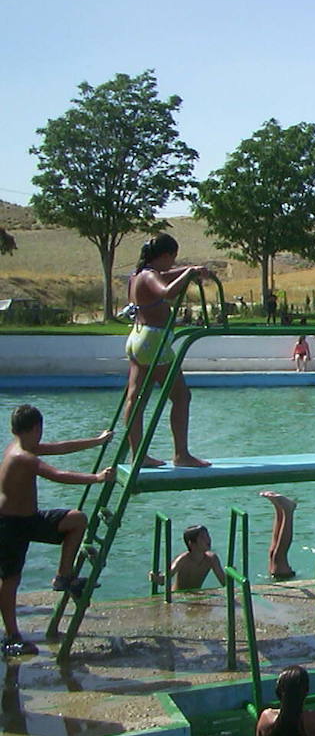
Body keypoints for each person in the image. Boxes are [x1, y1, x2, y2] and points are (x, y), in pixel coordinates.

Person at [1, 406, 113, 656]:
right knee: (10, 580)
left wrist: (97, 441)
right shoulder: (21, 456)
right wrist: (96, 478)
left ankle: (64, 576)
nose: (42, 435)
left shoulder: (24, 446)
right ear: (35, 428)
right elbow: (57, 474)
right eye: (41, 430)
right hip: (9, 524)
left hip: (30, 518)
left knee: (76, 520)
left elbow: (61, 447)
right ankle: (11, 637)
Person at [124, 234, 211, 468]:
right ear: (164, 256)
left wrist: (189, 269)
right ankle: (181, 455)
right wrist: (189, 274)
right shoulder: (151, 276)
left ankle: (138, 455)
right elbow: (167, 291)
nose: (172, 264)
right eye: (172, 259)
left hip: (137, 337)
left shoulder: (136, 276)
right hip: (154, 341)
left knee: (135, 398)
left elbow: (164, 276)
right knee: (181, 396)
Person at [151, 524, 226, 591]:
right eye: (203, 538)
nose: (208, 540)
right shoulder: (183, 559)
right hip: (177, 596)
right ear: (192, 544)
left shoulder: (212, 559)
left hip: (195, 595)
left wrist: (230, 576)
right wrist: (155, 578)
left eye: (208, 536)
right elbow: (164, 579)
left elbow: (224, 583)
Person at [261, 491, 297, 579]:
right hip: (281, 575)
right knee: (275, 556)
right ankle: (281, 509)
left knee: (277, 557)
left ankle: (286, 510)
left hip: (282, 575)